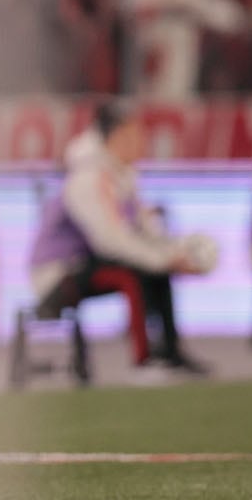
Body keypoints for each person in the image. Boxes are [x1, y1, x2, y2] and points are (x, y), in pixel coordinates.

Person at [27, 104, 208, 380]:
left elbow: (146, 232)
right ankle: (142, 361)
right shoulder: (88, 177)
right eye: (135, 134)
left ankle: (170, 353)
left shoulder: (122, 176)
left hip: (87, 263)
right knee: (132, 275)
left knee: (156, 272)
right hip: (56, 274)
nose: (143, 142)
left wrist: (176, 255)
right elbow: (110, 241)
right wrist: (162, 259)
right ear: (115, 138)